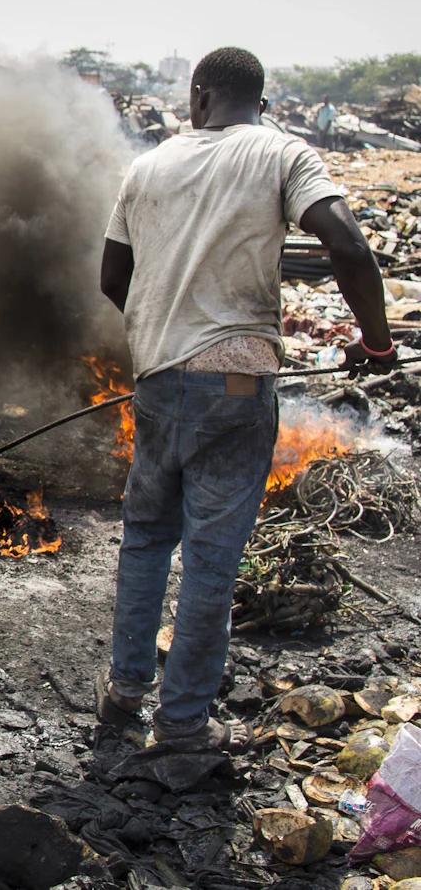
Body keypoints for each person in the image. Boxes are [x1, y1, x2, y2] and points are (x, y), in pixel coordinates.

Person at [97, 47, 393, 749]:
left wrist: (162, 329)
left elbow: (112, 278)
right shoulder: (282, 153)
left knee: (145, 540)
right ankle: (182, 722)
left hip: (157, 380)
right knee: (210, 558)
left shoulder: (148, 165)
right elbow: (349, 246)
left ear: (198, 96)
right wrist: (377, 344)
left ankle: (124, 691)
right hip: (235, 387)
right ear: (259, 103)